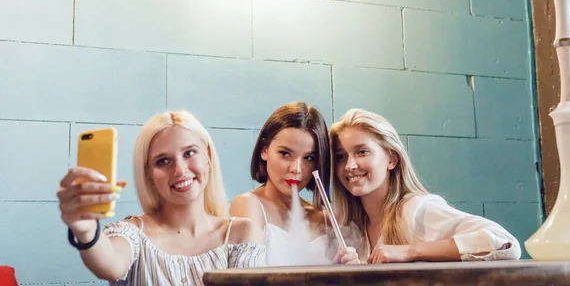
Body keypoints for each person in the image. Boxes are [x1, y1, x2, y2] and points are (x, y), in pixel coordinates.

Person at [57, 110, 265, 284]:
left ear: (208, 157)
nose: (180, 170)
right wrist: (87, 231)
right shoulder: (133, 234)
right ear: (147, 173)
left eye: (189, 153)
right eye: (163, 161)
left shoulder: (241, 233)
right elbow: (110, 265)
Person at [330, 108, 521, 263]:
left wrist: (410, 251)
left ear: (391, 159)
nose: (349, 166)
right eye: (340, 156)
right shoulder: (351, 227)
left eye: (362, 152)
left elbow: (504, 242)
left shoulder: (416, 210)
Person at [229, 102, 359, 265]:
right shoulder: (249, 204)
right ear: (264, 150)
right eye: (285, 154)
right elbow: (248, 279)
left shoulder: (324, 218)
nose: (296, 169)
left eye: (309, 158)